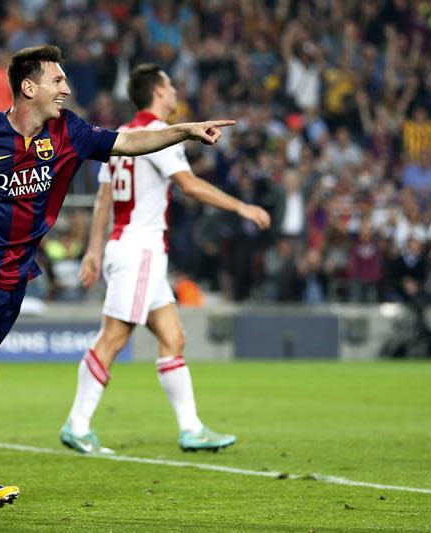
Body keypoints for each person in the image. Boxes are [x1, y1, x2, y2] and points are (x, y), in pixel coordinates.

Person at [0, 46, 237, 515]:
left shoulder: (68, 131)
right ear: (28, 87)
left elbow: (127, 142)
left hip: (13, 282)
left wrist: (185, 133)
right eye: (58, 80)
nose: (67, 89)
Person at [60, 64, 270, 455]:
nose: (175, 90)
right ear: (158, 91)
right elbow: (188, 185)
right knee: (114, 337)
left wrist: (93, 251)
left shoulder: (119, 136)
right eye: (170, 84)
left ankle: (191, 428)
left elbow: (104, 199)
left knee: (174, 337)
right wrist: (241, 207)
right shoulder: (160, 136)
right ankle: (78, 423)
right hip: (140, 249)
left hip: (132, 248)